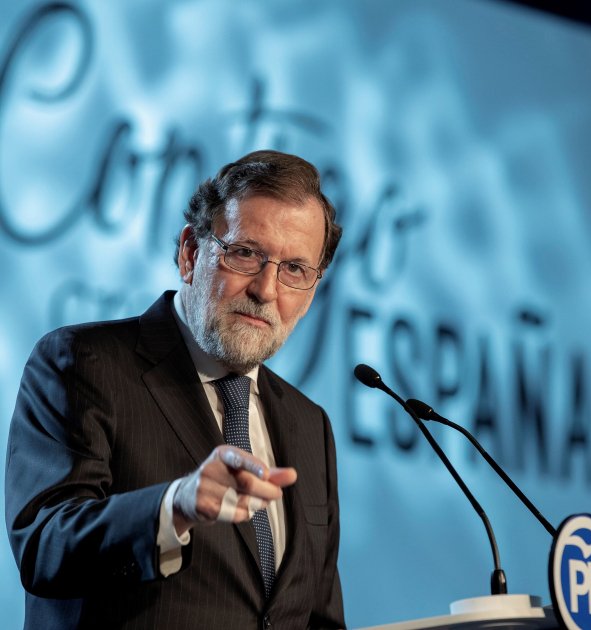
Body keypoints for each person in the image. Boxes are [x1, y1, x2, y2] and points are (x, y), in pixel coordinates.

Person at [5, 150, 345, 629]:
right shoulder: (84, 363)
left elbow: (320, 617)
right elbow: (44, 545)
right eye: (245, 253)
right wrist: (174, 506)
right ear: (190, 253)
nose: (266, 290)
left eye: (294, 269)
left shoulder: (311, 425)